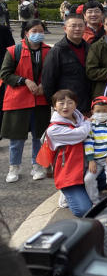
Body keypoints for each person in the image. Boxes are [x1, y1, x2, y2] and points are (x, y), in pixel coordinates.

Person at [1, 19, 50, 183]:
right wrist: (25, 81)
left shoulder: (48, 51)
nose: (38, 34)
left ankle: (37, 165)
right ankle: (14, 167)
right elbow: (5, 74)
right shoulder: (14, 50)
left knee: (39, 136)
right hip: (18, 100)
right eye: (34, 31)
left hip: (40, 100)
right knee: (16, 137)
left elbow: (52, 72)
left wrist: (45, 84)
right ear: (26, 33)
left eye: (41, 31)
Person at [46, 89, 93, 216]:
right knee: (84, 210)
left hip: (88, 170)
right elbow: (81, 134)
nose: (66, 106)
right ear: (54, 106)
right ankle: (66, 192)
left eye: (70, 102)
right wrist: (89, 122)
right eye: (61, 103)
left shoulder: (81, 119)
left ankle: (78, 192)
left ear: (75, 105)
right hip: (69, 174)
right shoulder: (54, 129)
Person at [42, 14, 92, 114]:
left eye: (80, 26)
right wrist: (56, 104)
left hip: (88, 105)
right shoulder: (57, 51)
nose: (77, 29)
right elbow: (48, 81)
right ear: (65, 28)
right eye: (73, 26)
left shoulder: (90, 48)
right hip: (66, 107)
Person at [83, 96, 107, 204]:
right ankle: (95, 202)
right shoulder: (90, 126)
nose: (101, 113)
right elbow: (88, 142)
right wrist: (91, 159)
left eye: (104, 111)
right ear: (92, 111)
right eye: (98, 111)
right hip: (95, 160)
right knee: (88, 179)